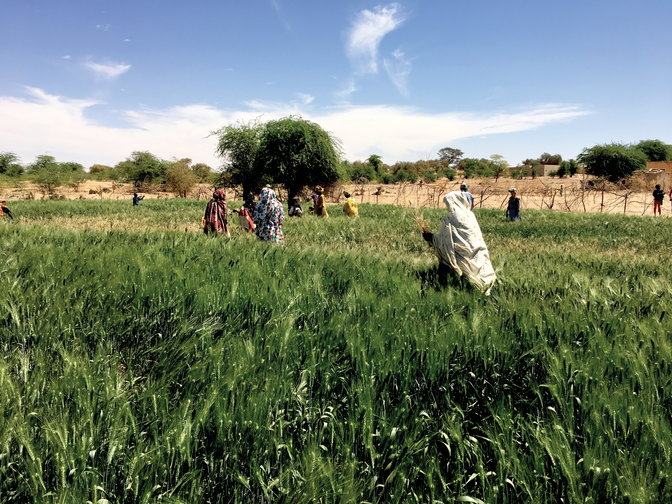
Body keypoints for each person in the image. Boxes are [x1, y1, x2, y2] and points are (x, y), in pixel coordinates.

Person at [422, 190, 496, 294]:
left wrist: (432, 238)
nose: (447, 207)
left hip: (461, 257)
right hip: (478, 254)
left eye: (448, 203)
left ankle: (465, 289)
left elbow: (445, 240)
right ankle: (484, 287)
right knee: (482, 277)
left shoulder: (451, 218)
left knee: (462, 282)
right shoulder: (470, 216)